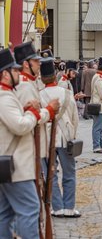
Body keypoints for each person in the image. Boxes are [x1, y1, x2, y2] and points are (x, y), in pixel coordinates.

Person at [0, 48, 59, 239]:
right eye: (14, 70)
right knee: (30, 209)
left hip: (12, 162)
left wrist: (29, 111)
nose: (18, 73)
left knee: (6, 213)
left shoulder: (11, 92)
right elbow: (21, 125)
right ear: (5, 74)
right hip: (17, 163)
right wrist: (43, 112)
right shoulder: (7, 95)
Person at [38, 56, 81, 218]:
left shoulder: (39, 94)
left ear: (42, 78)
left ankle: (57, 207)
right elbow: (75, 118)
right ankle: (69, 207)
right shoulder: (67, 93)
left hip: (47, 140)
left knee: (50, 174)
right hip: (65, 138)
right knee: (69, 173)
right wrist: (73, 135)